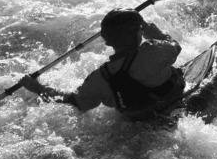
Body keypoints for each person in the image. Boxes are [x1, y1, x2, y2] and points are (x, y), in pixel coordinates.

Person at [19, 10, 185, 121]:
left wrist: (37, 88)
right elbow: (176, 47)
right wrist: (155, 33)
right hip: (174, 104)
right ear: (137, 34)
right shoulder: (153, 51)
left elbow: (74, 102)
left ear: (107, 42)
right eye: (140, 30)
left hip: (137, 124)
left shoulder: (100, 78)